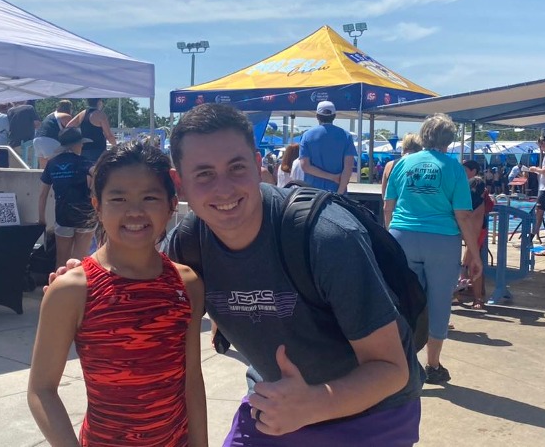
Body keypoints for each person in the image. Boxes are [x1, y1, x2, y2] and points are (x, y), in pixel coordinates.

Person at [166, 104, 422, 445]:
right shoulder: (187, 243)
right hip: (276, 404)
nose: (224, 189)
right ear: (179, 184)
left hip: (372, 413)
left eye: (237, 167)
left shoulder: (326, 238)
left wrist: (314, 404)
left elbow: (392, 369)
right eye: (204, 174)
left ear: (258, 165)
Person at [29, 142, 207, 446]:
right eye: (118, 198)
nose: (134, 211)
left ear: (172, 205)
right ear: (97, 205)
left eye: (150, 197)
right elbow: (41, 390)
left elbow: (191, 378)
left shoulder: (187, 284)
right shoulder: (72, 289)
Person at [384, 113, 481, 385]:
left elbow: (388, 208)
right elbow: (463, 215)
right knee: (439, 302)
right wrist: (473, 254)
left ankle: (404, 362)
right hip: (442, 241)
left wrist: (390, 241)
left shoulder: (402, 164)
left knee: (405, 301)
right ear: (449, 140)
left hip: (403, 236)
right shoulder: (454, 168)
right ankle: (433, 365)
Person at [38, 128, 96, 268]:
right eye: (81, 143)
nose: (82, 146)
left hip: (63, 215)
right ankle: (79, 282)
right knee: (80, 262)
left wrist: (42, 219)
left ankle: (59, 282)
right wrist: (93, 190)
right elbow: (98, 173)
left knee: (61, 261)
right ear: (76, 144)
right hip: (85, 215)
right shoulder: (83, 161)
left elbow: (43, 195)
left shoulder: (52, 163)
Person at [299, 101, 356, 194]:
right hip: (337, 191)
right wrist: (339, 193)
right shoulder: (346, 136)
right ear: (334, 116)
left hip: (312, 193)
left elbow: (305, 166)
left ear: (317, 116)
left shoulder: (307, 135)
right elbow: (348, 167)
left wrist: (332, 177)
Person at [461, 160, 495, 309]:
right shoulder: (467, 186)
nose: (462, 172)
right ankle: (475, 295)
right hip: (473, 227)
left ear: (473, 171)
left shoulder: (477, 185)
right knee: (472, 262)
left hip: (476, 228)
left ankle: (477, 297)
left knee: (472, 262)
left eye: (465, 170)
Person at [67, 98, 116, 163]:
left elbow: (69, 126)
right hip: (98, 150)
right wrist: (116, 146)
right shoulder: (100, 115)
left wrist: (77, 138)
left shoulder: (83, 113)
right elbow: (109, 135)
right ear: (99, 102)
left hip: (84, 149)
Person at [32, 99, 73, 169]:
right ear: (70, 108)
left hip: (37, 140)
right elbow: (71, 133)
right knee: (58, 165)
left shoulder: (50, 115)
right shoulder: (66, 116)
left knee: (43, 168)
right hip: (50, 140)